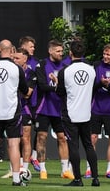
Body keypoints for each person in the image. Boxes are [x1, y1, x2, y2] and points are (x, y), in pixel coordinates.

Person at [0, 40, 29, 186]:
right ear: (11, 51)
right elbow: (25, 90)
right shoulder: (16, 68)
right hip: (12, 111)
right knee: (14, 144)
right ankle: (16, 178)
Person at [54, 39, 100, 187]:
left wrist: (56, 83)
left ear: (70, 53)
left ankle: (78, 179)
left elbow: (60, 93)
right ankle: (95, 178)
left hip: (70, 113)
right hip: (86, 112)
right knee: (88, 145)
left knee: (73, 146)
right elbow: (92, 89)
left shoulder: (64, 71)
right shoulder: (91, 70)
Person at [34, 39, 72, 179]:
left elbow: (68, 87)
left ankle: (65, 170)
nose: (61, 53)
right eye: (58, 51)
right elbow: (42, 86)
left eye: (62, 51)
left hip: (60, 108)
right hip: (44, 108)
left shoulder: (66, 66)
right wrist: (58, 87)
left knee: (62, 138)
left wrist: (58, 86)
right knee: (41, 137)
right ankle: (43, 169)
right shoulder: (42, 64)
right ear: (50, 51)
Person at [86, 43, 110, 179]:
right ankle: (89, 169)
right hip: (96, 108)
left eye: (108, 54)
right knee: (92, 138)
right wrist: (100, 84)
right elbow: (90, 87)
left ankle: (109, 170)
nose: (105, 57)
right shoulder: (96, 65)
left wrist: (109, 86)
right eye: (104, 54)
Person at [12, 46, 36, 172]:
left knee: (25, 138)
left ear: (25, 59)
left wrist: (14, 90)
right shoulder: (10, 71)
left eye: (17, 58)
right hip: (12, 108)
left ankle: (25, 168)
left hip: (25, 108)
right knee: (13, 139)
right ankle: (15, 168)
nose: (14, 60)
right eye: (13, 57)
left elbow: (28, 94)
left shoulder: (31, 74)